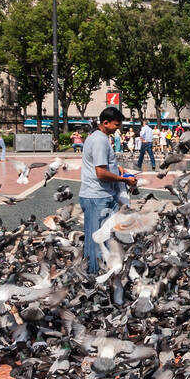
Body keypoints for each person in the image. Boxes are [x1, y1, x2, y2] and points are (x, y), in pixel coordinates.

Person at [80, 107, 137, 274]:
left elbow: (102, 166)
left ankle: (100, 272)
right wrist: (124, 179)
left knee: (104, 237)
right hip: (96, 197)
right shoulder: (99, 140)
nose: (118, 128)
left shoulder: (99, 137)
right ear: (105, 123)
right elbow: (100, 173)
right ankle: (92, 275)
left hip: (102, 195)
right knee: (96, 239)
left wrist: (116, 168)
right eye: (116, 124)